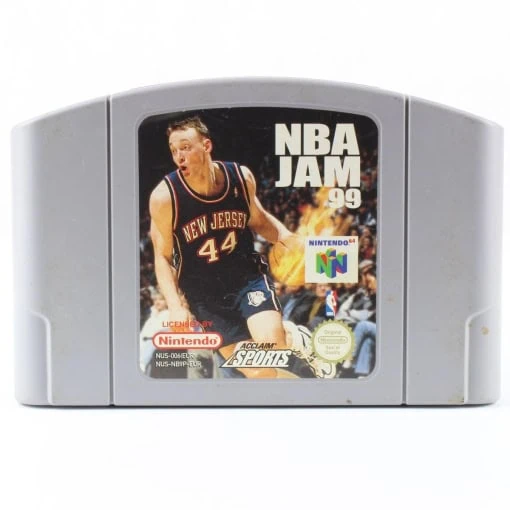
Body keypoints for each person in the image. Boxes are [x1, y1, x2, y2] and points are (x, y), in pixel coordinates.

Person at [149, 116, 328, 378]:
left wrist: (287, 237)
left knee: (273, 348)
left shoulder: (240, 178)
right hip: (205, 295)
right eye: (174, 150)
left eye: (185, 147)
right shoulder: (165, 197)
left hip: (245, 278)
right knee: (259, 372)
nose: (179, 157)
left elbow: (259, 220)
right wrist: (175, 305)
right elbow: (163, 257)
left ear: (206, 146)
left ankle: (294, 336)